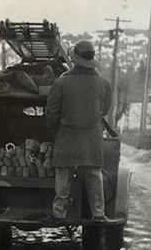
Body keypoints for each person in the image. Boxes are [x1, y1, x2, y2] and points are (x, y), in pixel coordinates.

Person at [46, 40, 111, 222]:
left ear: (74, 60)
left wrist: (53, 134)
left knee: (63, 174)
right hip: (91, 137)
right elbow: (105, 110)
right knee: (93, 175)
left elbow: (51, 112)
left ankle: (59, 213)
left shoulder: (61, 83)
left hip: (66, 136)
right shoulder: (103, 83)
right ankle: (98, 214)